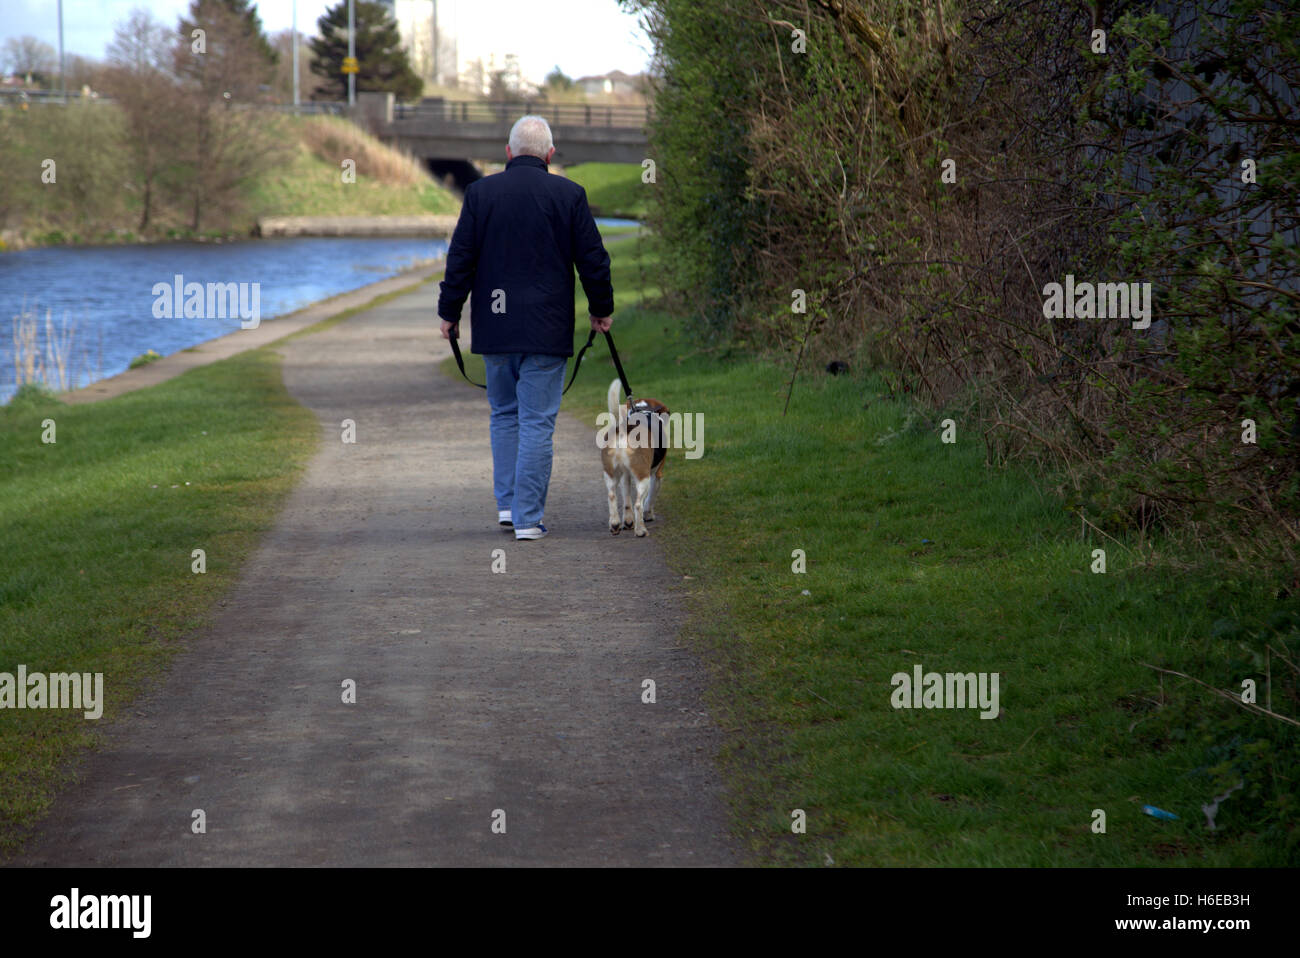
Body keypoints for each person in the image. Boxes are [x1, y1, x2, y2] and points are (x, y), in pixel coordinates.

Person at [438, 115, 614, 540]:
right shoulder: (570, 195)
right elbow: (593, 259)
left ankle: (507, 506)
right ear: (550, 155)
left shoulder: (480, 194)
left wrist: (449, 312)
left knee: (504, 414)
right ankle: (527, 519)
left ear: (509, 152)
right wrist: (601, 308)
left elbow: (460, 259)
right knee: (536, 421)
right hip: (546, 328)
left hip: (496, 327)